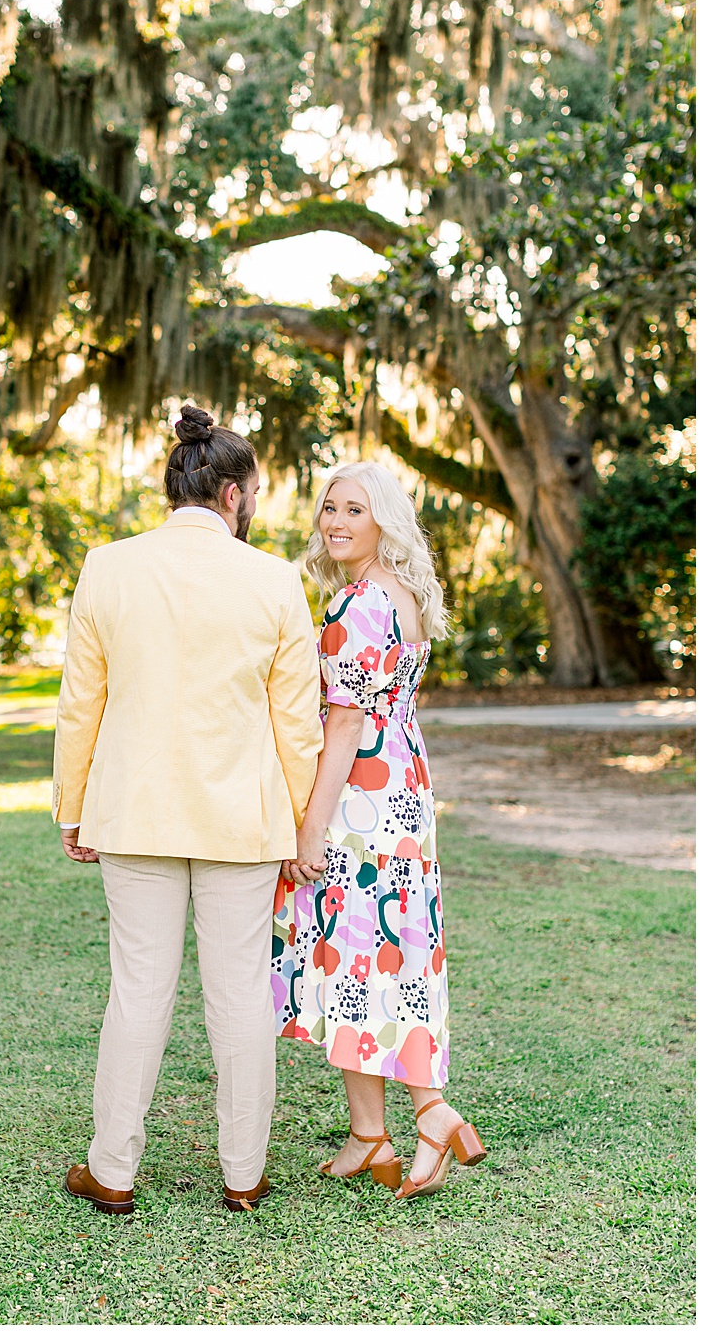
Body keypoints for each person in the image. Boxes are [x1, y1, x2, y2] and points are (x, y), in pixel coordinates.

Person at [54, 404, 324, 1215]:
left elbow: (81, 704)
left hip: (134, 809)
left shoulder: (108, 566)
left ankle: (113, 1172)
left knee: (139, 990)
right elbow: (297, 722)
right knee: (239, 993)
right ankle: (243, 1175)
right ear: (235, 494)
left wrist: (73, 804)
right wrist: (301, 822)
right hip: (243, 817)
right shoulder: (275, 578)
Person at [274, 462, 486, 1201]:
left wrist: (310, 829)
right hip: (402, 790)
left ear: (383, 521)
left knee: (357, 957)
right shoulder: (400, 594)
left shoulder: (360, 607)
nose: (335, 522)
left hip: (360, 802)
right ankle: (371, 1133)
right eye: (329, 508)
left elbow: (342, 725)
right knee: (380, 959)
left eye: (353, 510)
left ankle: (430, 1111)